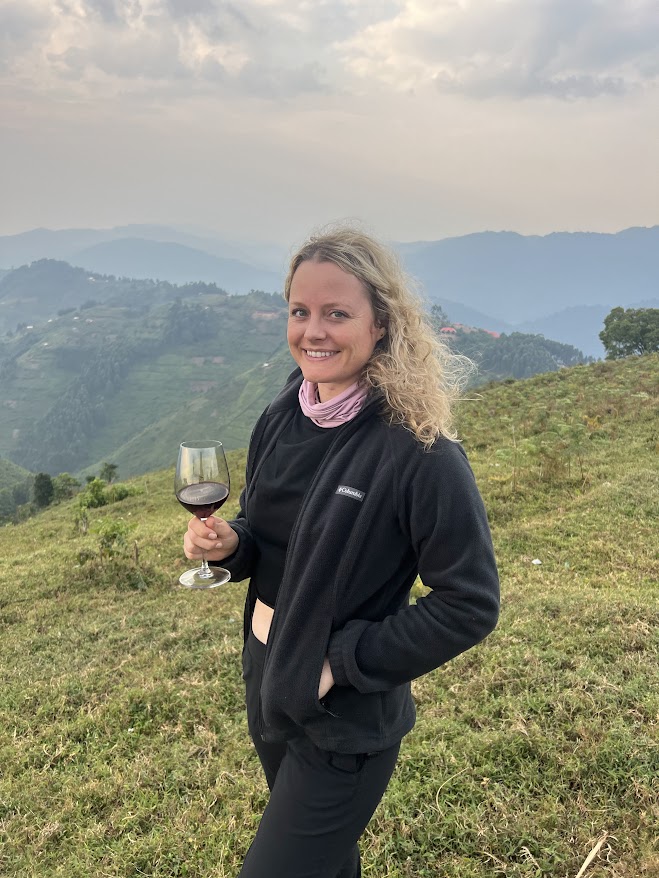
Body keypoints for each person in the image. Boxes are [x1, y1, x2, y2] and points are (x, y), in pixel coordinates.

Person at [183, 226, 500, 877]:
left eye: (336, 313)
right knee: (324, 863)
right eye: (300, 312)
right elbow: (265, 530)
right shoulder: (281, 417)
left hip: (342, 717)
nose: (313, 331)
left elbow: (468, 603)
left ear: (380, 323)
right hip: (267, 682)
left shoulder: (419, 452)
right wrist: (228, 543)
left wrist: (339, 662)